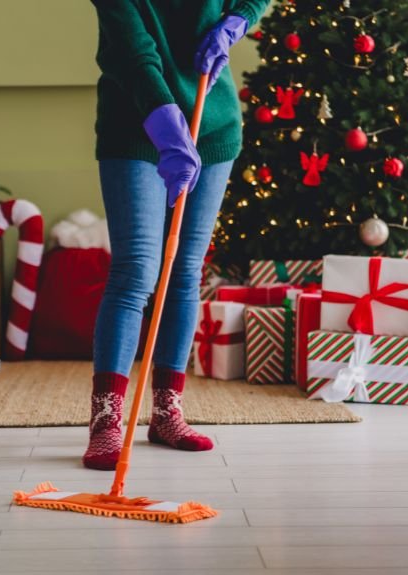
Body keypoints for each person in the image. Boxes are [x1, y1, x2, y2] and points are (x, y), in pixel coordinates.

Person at [85, 0, 270, 470]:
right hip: (136, 118)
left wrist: (238, 20)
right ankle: (107, 421)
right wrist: (165, 125)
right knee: (135, 271)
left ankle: (167, 412)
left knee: (184, 270)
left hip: (212, 120)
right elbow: (131, 49)